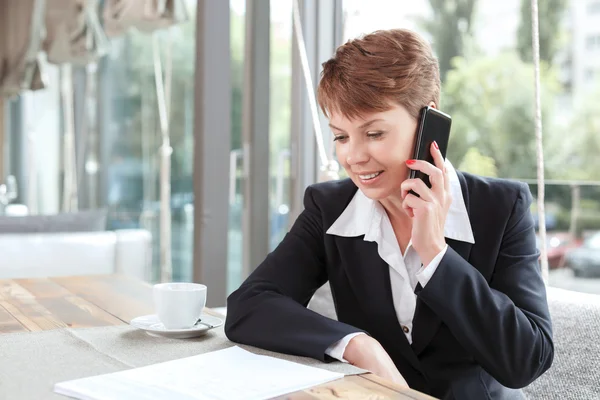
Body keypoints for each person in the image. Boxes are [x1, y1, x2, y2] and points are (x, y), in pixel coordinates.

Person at [224, 29, 553, 400]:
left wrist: (436, 256)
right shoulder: (330, 208)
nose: (354, 156)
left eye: (374, 133)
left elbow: (528, 360)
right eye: (341, 137)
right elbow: (248, 305)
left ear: (429, 118)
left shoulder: (500, 207)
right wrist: (357, 345)